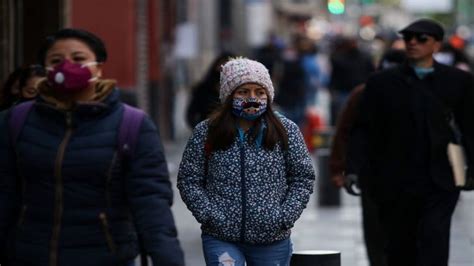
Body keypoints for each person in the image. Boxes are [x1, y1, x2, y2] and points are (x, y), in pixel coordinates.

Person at [0, 28, 184, 266]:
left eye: (78, 59)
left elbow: (150, 201)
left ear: (98, 67)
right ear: (45, 70)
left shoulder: (132, 125)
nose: (67, 67)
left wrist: (167, 259)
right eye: (56, 61)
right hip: (30, 256)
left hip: (105, 258)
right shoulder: (15, 122)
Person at [346, 19, 474, 266]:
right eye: (408, 38)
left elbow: (470, 128)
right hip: (394, 177)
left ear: (437, 44)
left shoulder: (458, 81)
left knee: (434, 239)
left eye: (421, 38)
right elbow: (363, 129)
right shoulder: (381, 82)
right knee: (399, 245)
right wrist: (353, 168)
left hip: (443, 175)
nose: (413, 43)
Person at [177, 57, 315, 266]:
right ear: (229, 95)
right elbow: (189, 179)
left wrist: (284, 216)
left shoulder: (285, 130)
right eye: (243, 91)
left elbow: (302, 177)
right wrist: (208, 215)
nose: (252, 98)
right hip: (221, 237)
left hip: (272, 239)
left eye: (259, 92)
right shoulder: (207, 132)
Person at [330, 49, 406, 266]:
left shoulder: (417, 92)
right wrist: (340, 169)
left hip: (409, 174)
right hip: (372, 173)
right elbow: (345, 131)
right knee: (375, 230)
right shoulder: (363, 93)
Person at [186, 51, 235, 128]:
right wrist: (199, 130)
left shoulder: (239, 89)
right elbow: (191, 114)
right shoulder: (203, 89)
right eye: (222, 66)